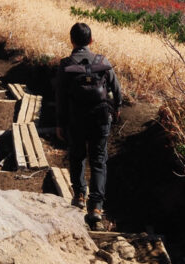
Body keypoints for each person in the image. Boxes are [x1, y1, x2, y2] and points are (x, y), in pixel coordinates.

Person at [54, 21, 122, 228]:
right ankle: (96, 207)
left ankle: (80, 196)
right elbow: (117, 91)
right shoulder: (103, 62)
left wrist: (60, 123)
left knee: (77, 156)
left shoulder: (66, 65)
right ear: (91, 40)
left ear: (72, 40)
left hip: (76, 119)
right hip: (100, 119)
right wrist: (116, 109)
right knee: (99, 161)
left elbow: (60, 98)